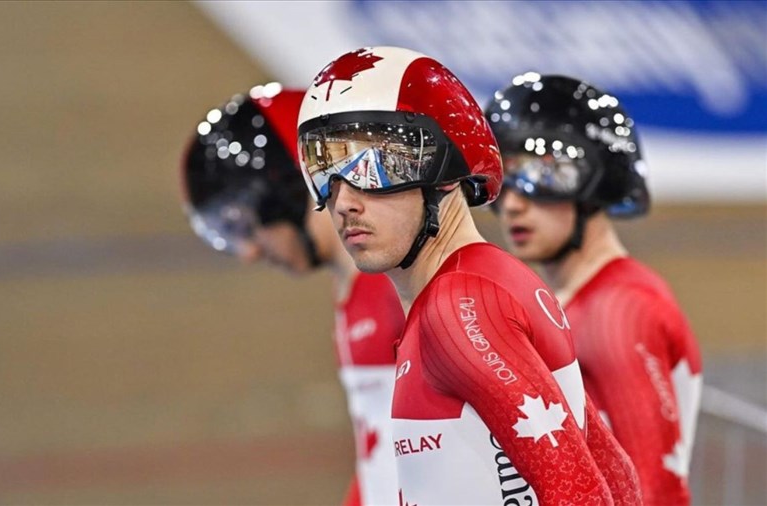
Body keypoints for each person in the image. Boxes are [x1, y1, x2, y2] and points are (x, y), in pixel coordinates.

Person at [297, 46, 641, 505]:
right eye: (325, 172)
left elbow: (586, 496)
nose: (343, 202)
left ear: (444, 170)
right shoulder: (485, 282)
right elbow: (617, 480)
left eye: (372, 165)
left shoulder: (458, 307)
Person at [180, 83, 405, 506]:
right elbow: (382, 457)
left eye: (244, 227)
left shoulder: (394, 286)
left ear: (284, 193)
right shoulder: (361, 289)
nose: (247, 252)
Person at [485, 73, 704, 505]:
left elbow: (655, 493)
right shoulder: (582, 302)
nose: (512, 203)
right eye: (504, 178)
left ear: (594, 185)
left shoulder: (619, 311)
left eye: (540, 173)